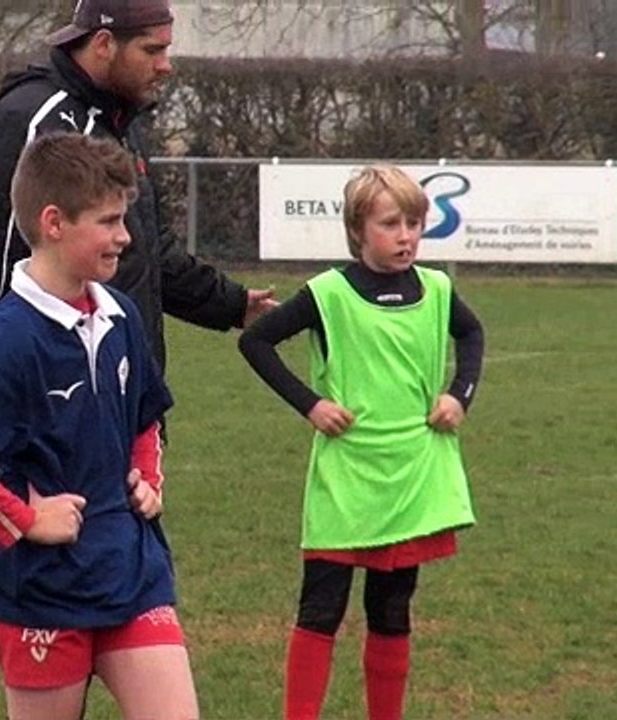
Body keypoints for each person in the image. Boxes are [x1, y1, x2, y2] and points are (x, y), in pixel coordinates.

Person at [0, 132, 200, 720]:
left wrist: (146, 473)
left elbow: (145, 412)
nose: (125, 236)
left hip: (131, 568)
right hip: (43, 590)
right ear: (54, 222)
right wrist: (24, 519)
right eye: (110, 221)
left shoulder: (118, 315)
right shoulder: (9, 338)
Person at [237, 165, 485, 720]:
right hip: (347, 478)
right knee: (321, 609)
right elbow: (256, 342)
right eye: (391, 223)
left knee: (392, 610)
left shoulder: (439, 289)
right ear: (358, 231)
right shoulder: (329, 293)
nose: (407, 236)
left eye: (415, 223)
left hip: (413, 475)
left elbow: (471, 333)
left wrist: (459, 395)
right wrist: (311, 404)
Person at [0, 0, 276, 380]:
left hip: (122, 394)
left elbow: (147, 251)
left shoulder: (119, 122)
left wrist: (230, 305)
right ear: (103, 44)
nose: (166, 65)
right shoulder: (31, 120)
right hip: (55, 400)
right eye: (152, 49)